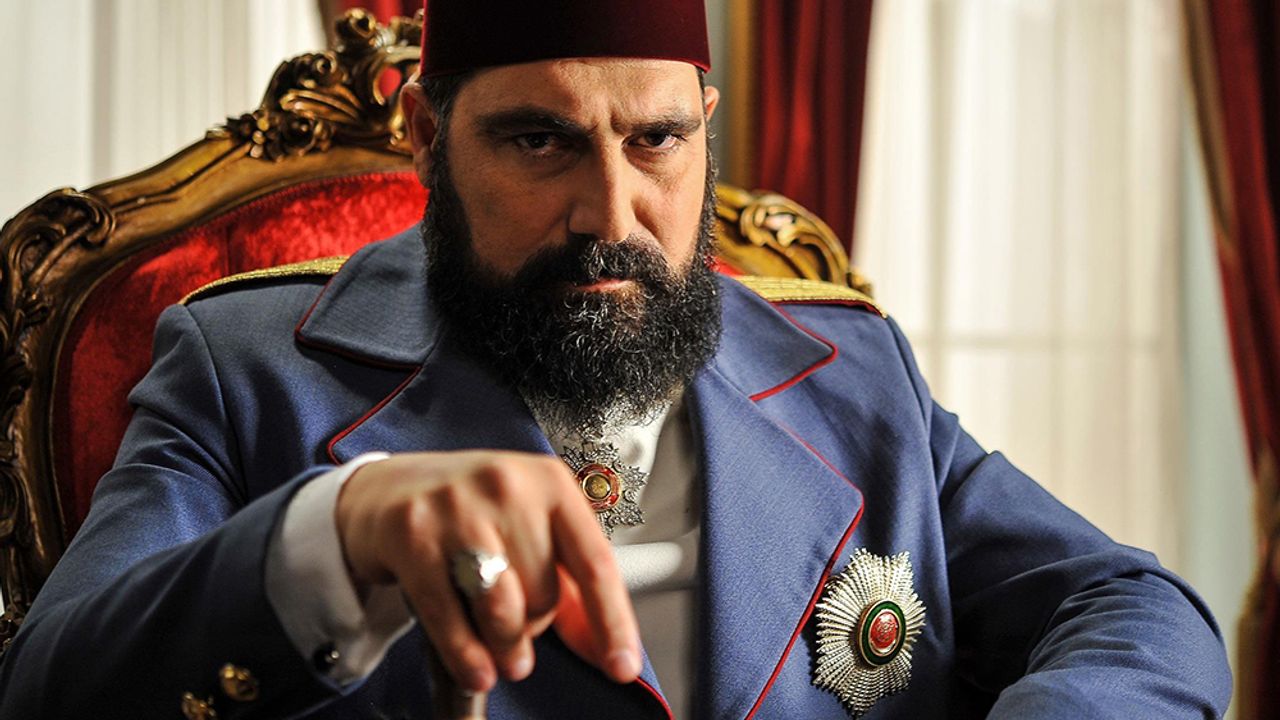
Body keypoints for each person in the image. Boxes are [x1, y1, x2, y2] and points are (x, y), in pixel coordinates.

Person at [0, 1, 1232, 718]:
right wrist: (337, 530)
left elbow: (1134, 610)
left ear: (706, 127)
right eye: (538, 142)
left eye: (654, 142)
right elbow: (49, 687)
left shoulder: (854, 371)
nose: (610, 212)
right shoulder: (240, 370)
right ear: (428, 139)